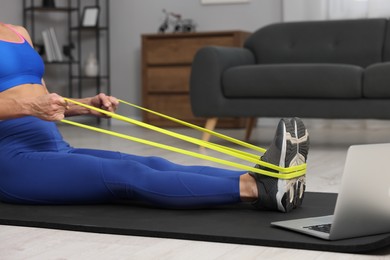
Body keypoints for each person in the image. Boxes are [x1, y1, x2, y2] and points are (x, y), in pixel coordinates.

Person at [0, 22, 309, 213]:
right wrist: (30, 109)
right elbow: (29, 105)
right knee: (128, 175)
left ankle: (268, 176)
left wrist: (84, 105)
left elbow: (38, 98)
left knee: (154, 163)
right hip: (12, 160)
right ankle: (256, 190)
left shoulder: (19, 32)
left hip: (53, 146)